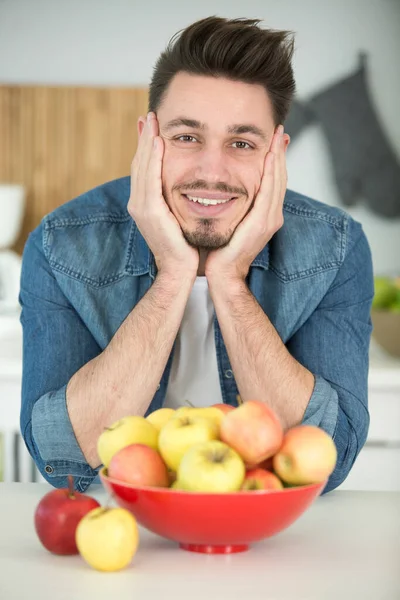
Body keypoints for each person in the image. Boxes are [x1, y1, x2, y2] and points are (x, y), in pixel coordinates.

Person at [19, 16, 374, 494]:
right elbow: (64, 458)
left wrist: (228, 279)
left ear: (277, 153)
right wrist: (174, 275)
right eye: (187, 136)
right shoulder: (62, 245)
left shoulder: (335, 248)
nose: (213, 171)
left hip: (271, 545)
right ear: (148, 138)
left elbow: (326, 460)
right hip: (120, 531)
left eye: (242, 143)